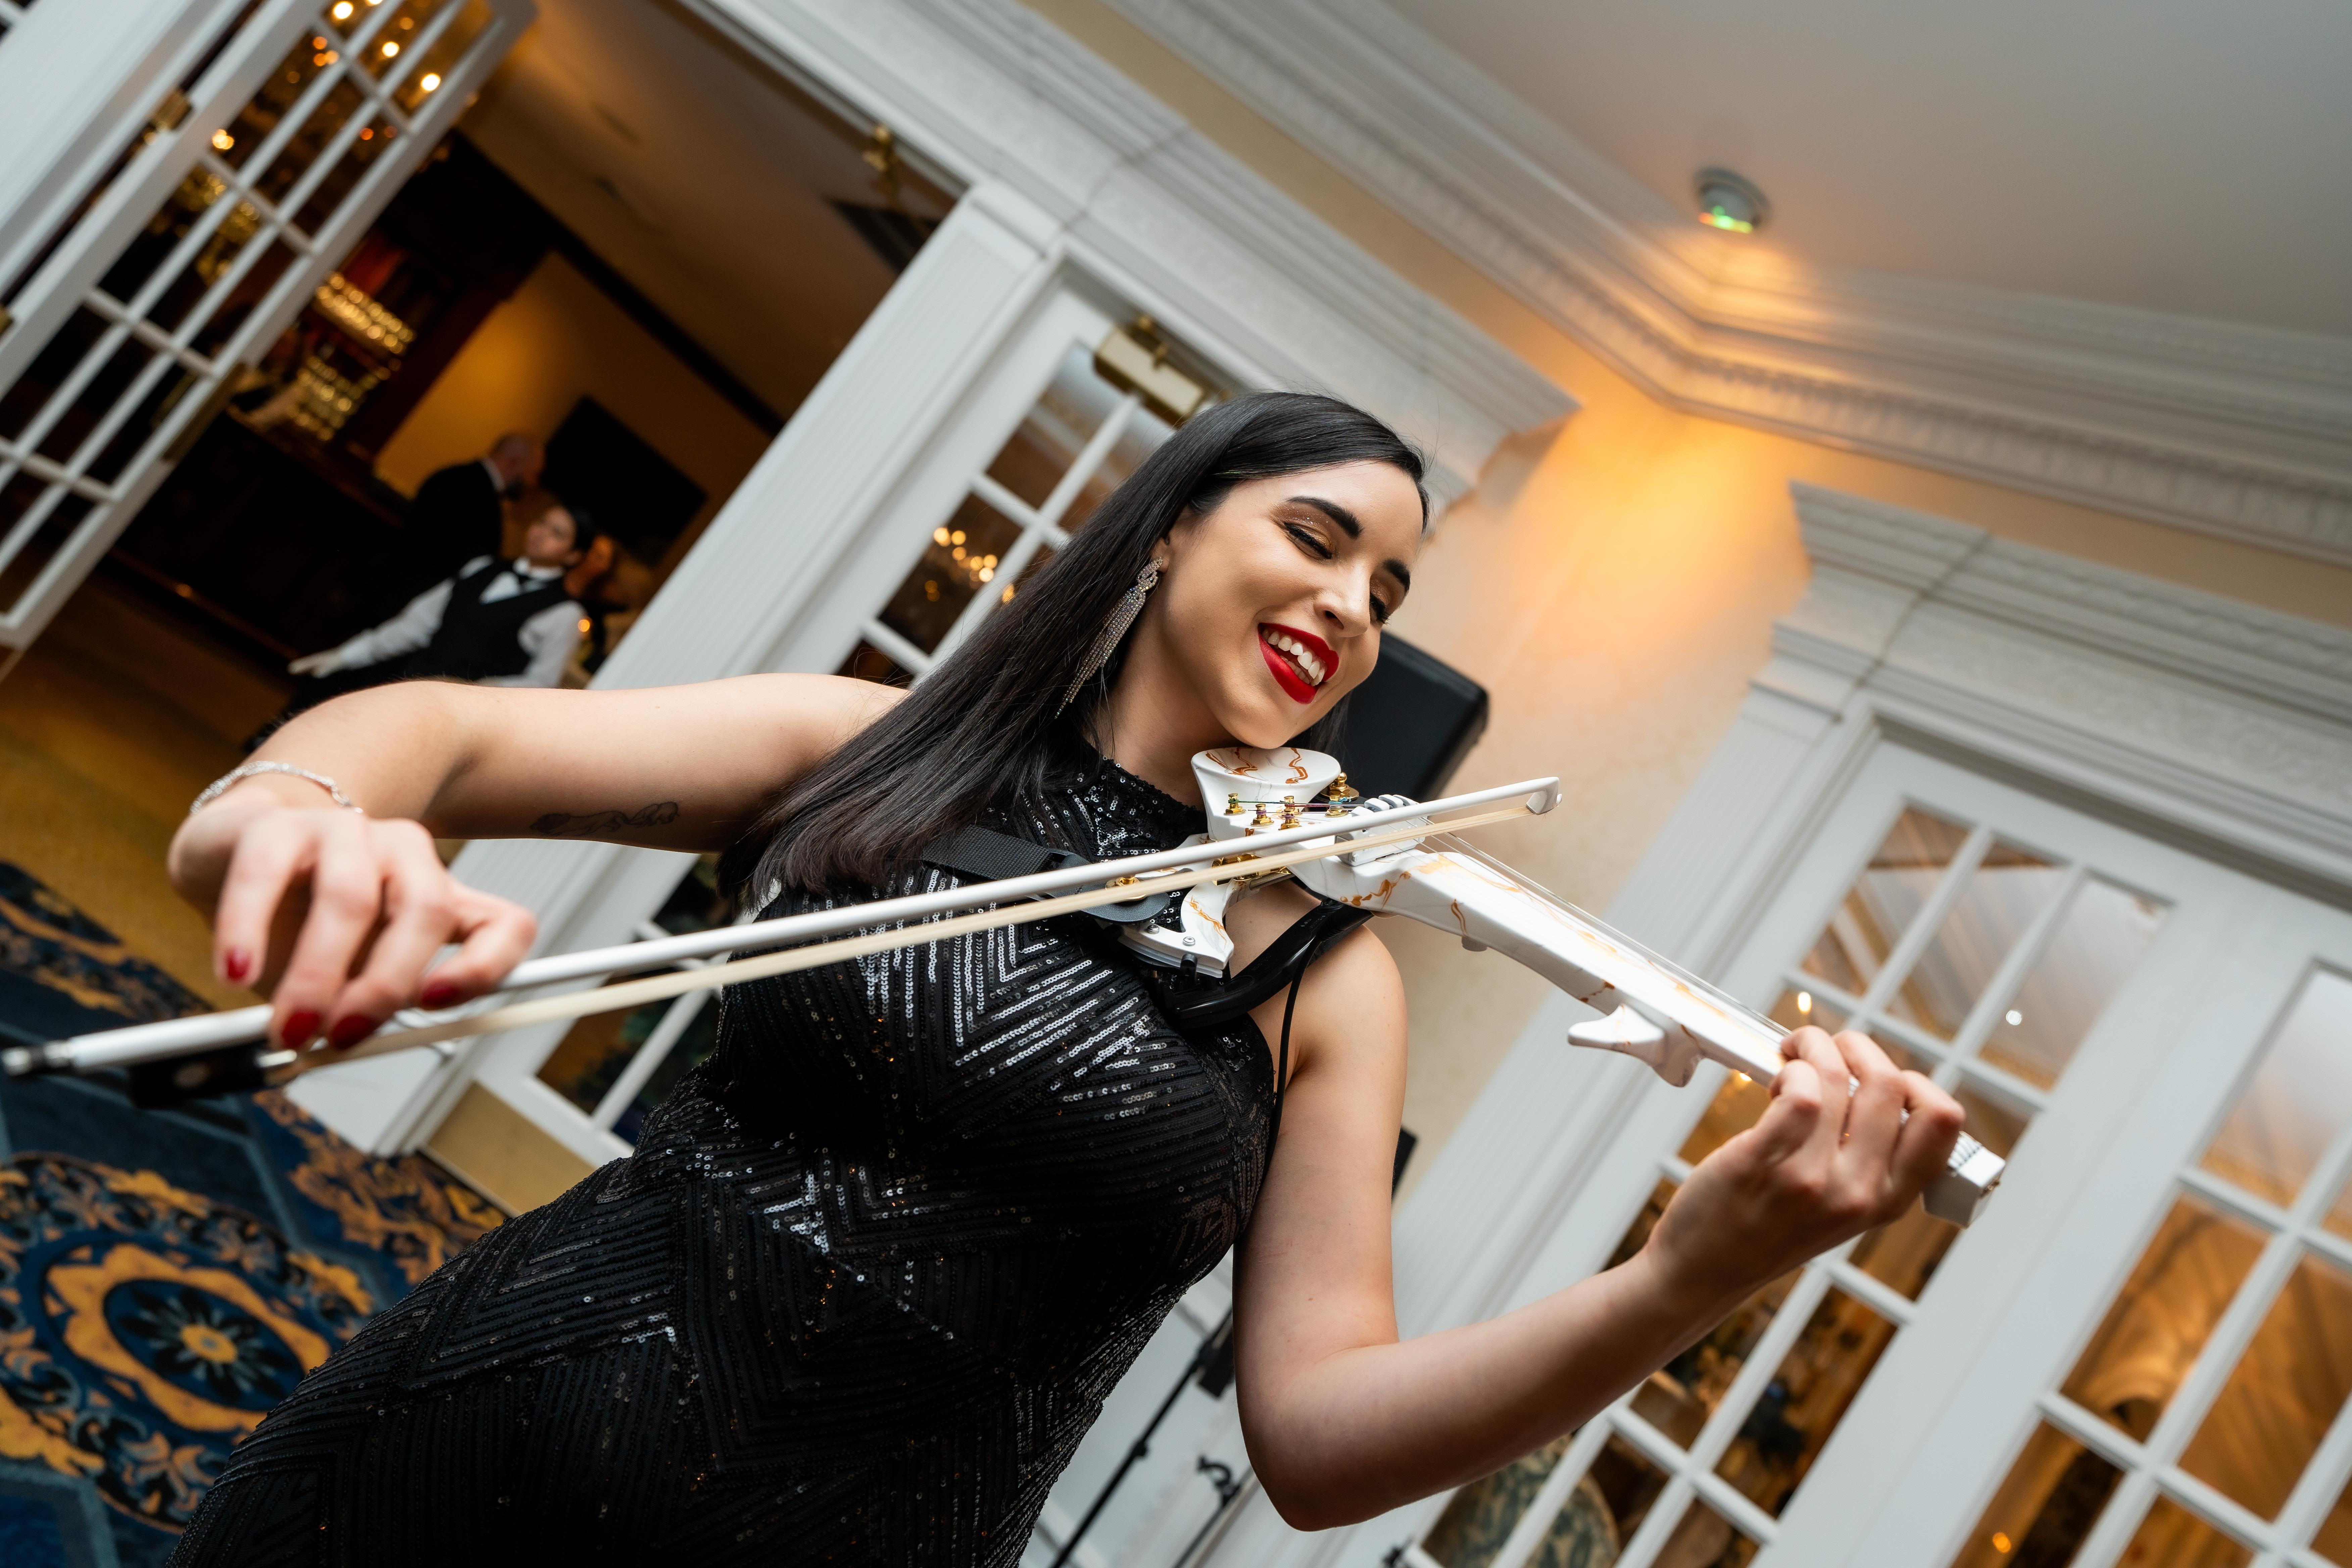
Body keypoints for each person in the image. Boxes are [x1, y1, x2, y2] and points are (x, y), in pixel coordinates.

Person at [164, 394, 1962, 1565]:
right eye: (1318, 538)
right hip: (469, 1434)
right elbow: (443, 733)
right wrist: (292, 821)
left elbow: (1320, 1440)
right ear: (1169, 527)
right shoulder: (871, 746)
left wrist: (1686, 1277)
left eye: (1392, 589)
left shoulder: (1325, 975)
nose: (1354, 606)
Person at [393, 431, 543, 603]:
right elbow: (468, 567)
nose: (533, 482)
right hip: (409, 598)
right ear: (513, 463)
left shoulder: (454, 474)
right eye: (533, 473)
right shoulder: (481, 500)